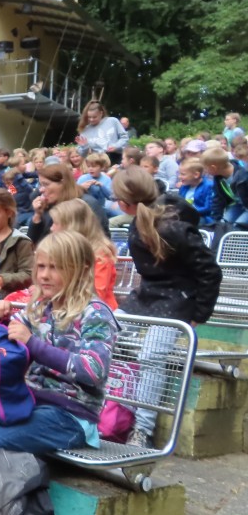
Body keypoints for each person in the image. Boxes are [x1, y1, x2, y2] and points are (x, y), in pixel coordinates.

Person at [0, 231, 119, 453]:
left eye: (55, 267)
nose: (44, 275)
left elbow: (94, 371)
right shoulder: (38, 309)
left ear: (81, 270)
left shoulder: (96, 314)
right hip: (24, 402)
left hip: (70, 414)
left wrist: (32, 343)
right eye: (41, 266)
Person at [112, 167, 221, 448]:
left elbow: (210, 271)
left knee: (151, 354)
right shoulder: (137, 222)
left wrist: (199, 314)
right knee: (103, 330)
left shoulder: (174, 227)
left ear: (125, 203)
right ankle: (100, 410)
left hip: (178, 300)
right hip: (148, 296)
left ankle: (141, 430)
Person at [50, 199, 118, 310]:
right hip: (66, 309)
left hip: (97, 314)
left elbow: (97, 295)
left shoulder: (100, 255)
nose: (51, 228)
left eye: (56, 223)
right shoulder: (62, 251)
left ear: (71, 226)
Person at [27, 163, 109, 244]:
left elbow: (101, 241)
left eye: (46, 184)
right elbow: (32, 244)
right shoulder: (48, 205)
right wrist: (37, 215)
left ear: (63, 183)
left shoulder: (88, 205)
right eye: (40, 185)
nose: (41, 190)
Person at [0, 189, 33, 297]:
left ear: (9, 212)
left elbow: (29, 274)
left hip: (6, 297)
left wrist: (3, 279)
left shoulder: (21, 241)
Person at [202, 146, 248, 228]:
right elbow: (218, 199)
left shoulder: (244, 174)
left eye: (205, 168)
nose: (205, 171)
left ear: (213, 168)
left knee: (238, 226)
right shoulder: (218, 178)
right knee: (224, 224)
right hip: (239, 205)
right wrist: (216, 220)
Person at [75, 100, 128, 164]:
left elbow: (124, 138)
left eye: (94, 117)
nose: (91, 119)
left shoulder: (112, 121)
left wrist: (116, 146)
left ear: (101, 113)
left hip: (115, 158)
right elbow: (83, 154)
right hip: (97, 161)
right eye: (89, 117)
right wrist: (84, 147)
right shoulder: (85, 130)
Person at [178, 160, 214, 225]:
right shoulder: (184, 186)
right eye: (179, 173)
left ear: (196, 175)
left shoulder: (209, 186)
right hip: (185, 215)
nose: (179, 176)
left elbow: (208, 208)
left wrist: (189, 211)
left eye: (183, 174)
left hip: (202, 217)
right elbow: (179, 202)